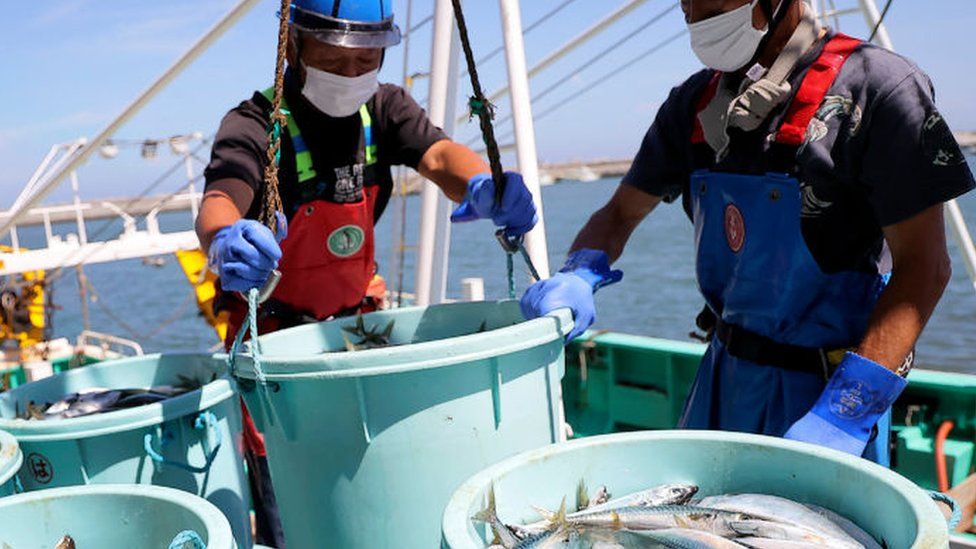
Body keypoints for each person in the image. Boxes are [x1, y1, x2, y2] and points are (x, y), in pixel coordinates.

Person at [522, 0, 974, 466]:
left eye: (715, 4)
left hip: (827, 390)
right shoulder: (691, 107)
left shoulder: (879, 89)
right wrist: (579, 273)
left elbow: (924, 266)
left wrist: (845, 412)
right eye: (687, 7)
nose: (698, 20)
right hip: (722, 377)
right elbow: (618, 215)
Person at [196, 1, 537, 544]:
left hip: (360, 333)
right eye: (335, 60)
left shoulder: (384, 108)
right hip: (283, 349)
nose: (352, 74)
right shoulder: (254, 123)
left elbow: (440, 155)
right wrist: (223, 240)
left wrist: (486, 182)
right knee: (297, 503)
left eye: (366, 60)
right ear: (294, 49)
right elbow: (221, 197)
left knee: (380, 485)